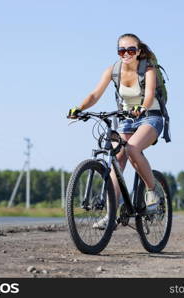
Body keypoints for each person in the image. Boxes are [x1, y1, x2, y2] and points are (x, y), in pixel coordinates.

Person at [68, 33, 164, 229]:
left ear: (138, 52)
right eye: (122, 50)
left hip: (150, 117)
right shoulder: (113, 71)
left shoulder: (148, 70)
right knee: (116, 160)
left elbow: (149, 95)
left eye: (131, 50)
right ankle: (111, 215)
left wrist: (142, 108)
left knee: (132, 149)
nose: (126, 54)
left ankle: (152, 190)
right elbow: (95, 94)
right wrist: (79, 108)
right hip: (126, 120)